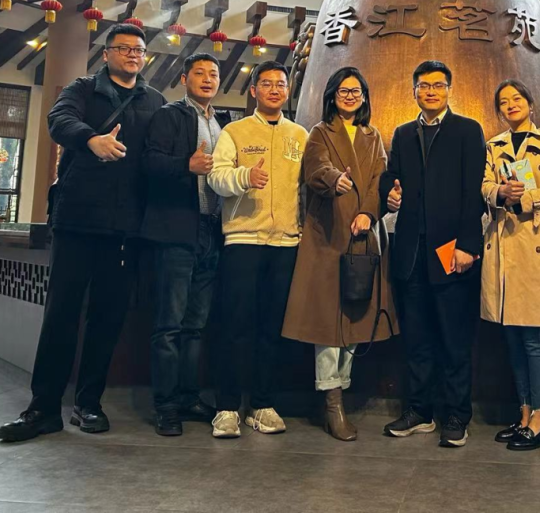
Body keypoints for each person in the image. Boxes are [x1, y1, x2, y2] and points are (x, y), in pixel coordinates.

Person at [0, 24, 165, 442]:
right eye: (124, 48)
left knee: (107, 318)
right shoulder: (83, 89)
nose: (133, 54)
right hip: (76, 221)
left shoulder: (155, 100)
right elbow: (58, 121)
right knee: (61, 314)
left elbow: (159, 156)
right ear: (106, 54)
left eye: (139, 49)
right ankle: (43, 408)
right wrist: (91, 140)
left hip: (125, 229)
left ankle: (88, 404)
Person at [282, 67, 398, 441]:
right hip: (328, 237)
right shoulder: (320, 132)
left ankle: (341, 389)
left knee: (355, 319)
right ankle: (332, 402)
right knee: (328, 325)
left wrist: (368, 212)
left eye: (356, 91)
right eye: (344, 91)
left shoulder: (372, 136)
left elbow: (380, 180)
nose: (350, 96)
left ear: (364, 97)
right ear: (332, 96)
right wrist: (335, 179)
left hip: (363, 237)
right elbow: (316, 169)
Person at [379, 60, 486, 448]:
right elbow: (391, 176)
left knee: (454, 340)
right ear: (414, 91)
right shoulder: (403, 133)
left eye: (438, 86)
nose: (430, 92)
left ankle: (457, 415)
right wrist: (389, 191)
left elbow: (474, 192)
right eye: (424, 86)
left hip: (451, 250)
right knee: (417, 339)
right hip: (411, 252)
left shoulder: (468, 130)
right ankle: (419, 411)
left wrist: (468, 245)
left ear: (449, 90)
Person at [208, 60, 308, 439]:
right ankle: (227, 407)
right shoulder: (234, 131)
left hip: (286, 243)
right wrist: (245, 176)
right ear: (254, 91)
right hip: (243, 240)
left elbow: (307, 186)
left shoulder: (299, 135)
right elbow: (216, 177)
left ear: (287, 90)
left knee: (272, 327)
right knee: (235, 326)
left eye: (280, 84)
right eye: (266, 84)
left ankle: (263, 405)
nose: (274, 89)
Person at [140, 53, 232, 436]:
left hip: (213, 230)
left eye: (213, 74)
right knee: (169, 325)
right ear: (184, 79)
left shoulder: (224, 123)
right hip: (177, 230)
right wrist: (186, 166)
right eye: (200, 73)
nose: (208, 79)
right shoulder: (169, 115)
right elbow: (149, 163)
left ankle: (189, 397)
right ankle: (165, 406)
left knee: (196, 325)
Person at [480, 80, 540, 451]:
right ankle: (523, 413)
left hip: (534, 242)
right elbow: (484, 185)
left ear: (530, 104)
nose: (511, 105)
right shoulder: (494, 145)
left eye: (517, 99)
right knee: (513, 338)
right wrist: (500, 193)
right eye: (504, 102)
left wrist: (525, 198)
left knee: (534, 338)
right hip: (503, 246)